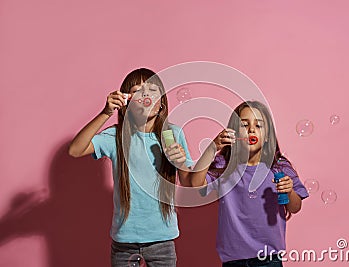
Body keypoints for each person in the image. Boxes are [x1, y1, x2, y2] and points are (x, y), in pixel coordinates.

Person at [68, 68, 192, 267]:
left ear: (162, 103)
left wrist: (181, 163)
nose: (145, 95)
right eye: (137, 90)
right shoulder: (116, 136)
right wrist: (106, 112)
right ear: (126, 103)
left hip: (162, 240)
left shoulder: (173, 134)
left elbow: (188, 180)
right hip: (124, 242)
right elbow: (75, 150)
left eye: (152, 89)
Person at [190, 101, 309, 267]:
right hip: (233, 260)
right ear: (233, 133)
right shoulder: (224, 165)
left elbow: (295, 207)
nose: (251, 129)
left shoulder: (279, 166)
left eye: (258, 125)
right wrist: (213, 146)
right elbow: (195, 183)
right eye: (244, 125)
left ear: (268, 136)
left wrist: (289, 192)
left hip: (268, 258)